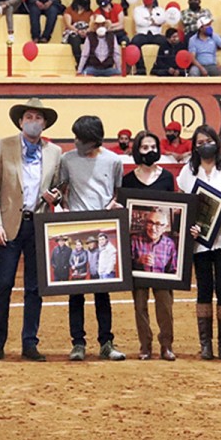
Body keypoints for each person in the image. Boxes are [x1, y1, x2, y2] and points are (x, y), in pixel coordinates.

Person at [0, 98, 62, 362]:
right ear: (21, 121)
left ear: (44, 124)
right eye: (29, 117)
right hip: (9, 224)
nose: (33, 122)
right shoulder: (3, 145)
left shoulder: (54, 152)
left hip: (38, 224)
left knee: (34, 287)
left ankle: (30, 343)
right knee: (4, 284)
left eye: (38, 118)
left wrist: (56, 197)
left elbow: (59, 188)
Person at [60, 115, 126, 361]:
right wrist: (60, 206)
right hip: (77, 228)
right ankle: (78, 343)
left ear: (94, 141)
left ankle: (106, 342)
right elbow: (62, 189)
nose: (76, 142)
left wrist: (113, 206)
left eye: (81, 139)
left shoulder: (113, 160)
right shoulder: (67, 159)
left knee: (102, 288)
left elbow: (117, 193)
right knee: (75, 290)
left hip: (103, 231)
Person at [177, 125, 221, 359]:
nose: (204, 145)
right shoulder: (187, 171)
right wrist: (190, 224)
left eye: (208, 140)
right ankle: (206, 345)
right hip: (198, 240)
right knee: (203, 288)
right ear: (194, 146)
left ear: (217, 141)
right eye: (199, 142)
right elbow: (183, 205)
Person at [122, 133, 177, 360]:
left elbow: (175, 208)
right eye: (144, 147)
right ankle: (145, 345)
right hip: (138, 251)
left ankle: (167, 344)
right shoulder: (128, 180)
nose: (149, 150)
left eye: (153, 146)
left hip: (162, 255)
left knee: (165, 303)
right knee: (140, 304)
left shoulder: (166, 177)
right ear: (137, 150)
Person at [130, 0, 167, 74]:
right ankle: (140, 69)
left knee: (165, 42)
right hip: (142, 34)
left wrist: (148, 21)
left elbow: (163, 19)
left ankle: (157, 67)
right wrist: (153, 22)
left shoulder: (160, 9)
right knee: (135, 42)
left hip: (156, 34)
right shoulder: (138, 9)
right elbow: (139, 21)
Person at [62, 0, 93, 66]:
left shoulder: (90, 12)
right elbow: (68, 24)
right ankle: (80, 63)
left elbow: (92, 25)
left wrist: (86, 31)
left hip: (86, 31)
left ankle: (91, 64)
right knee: (75, 39)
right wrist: (78, 31)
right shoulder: (69, 10)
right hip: (73, 31)